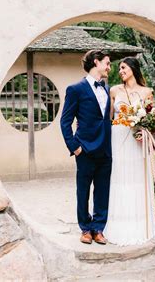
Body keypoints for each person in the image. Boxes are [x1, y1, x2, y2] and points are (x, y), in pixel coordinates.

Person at [104, 56, 155, 246]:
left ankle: (140, 225)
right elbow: (109, 117)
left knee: (137, 178)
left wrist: (147, 130)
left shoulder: (147, 92)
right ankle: (119, 226)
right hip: (118, 137)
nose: (120, 71)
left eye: (124, 67)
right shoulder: (114, 90)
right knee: (119, 179)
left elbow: (153, 118)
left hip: (136, 141)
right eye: (119, 69)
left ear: (133, 69)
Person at [60, 49, 112, 245]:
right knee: (83, 191)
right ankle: (85, 228)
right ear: (96, 62)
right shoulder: (75, 89)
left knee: (102, 191)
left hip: (106, 150)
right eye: (107, 63)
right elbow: (65, 122)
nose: (109, 67)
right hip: (85, 149)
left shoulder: (107, 89)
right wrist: (75, 147)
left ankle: (98, 228)